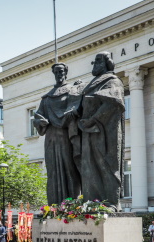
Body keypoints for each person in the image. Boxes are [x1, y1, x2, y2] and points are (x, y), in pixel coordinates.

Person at [78, 51, 125, 207]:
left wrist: (93, 119)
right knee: (89, 166)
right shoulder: (92, 84)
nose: (94, 64)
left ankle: (111, 202)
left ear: (107, 63)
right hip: (89, 131)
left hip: (105, 131)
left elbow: (112, 103)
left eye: (98, 61)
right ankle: (92, 203)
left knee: (107, 164)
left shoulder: (112, 81)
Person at [33, 62, 82, 205]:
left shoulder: (72, 91)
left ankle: (72, 204)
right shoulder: (47, 98)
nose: (59, 74)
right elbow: (37, 117)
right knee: (53, 171)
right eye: (56, 72)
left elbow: (79, 107)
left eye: (61, 71)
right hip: (51, 137)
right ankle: (54, 205)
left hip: (66, 136)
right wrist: (40, 121)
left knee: (69, 168)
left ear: (66, 72)